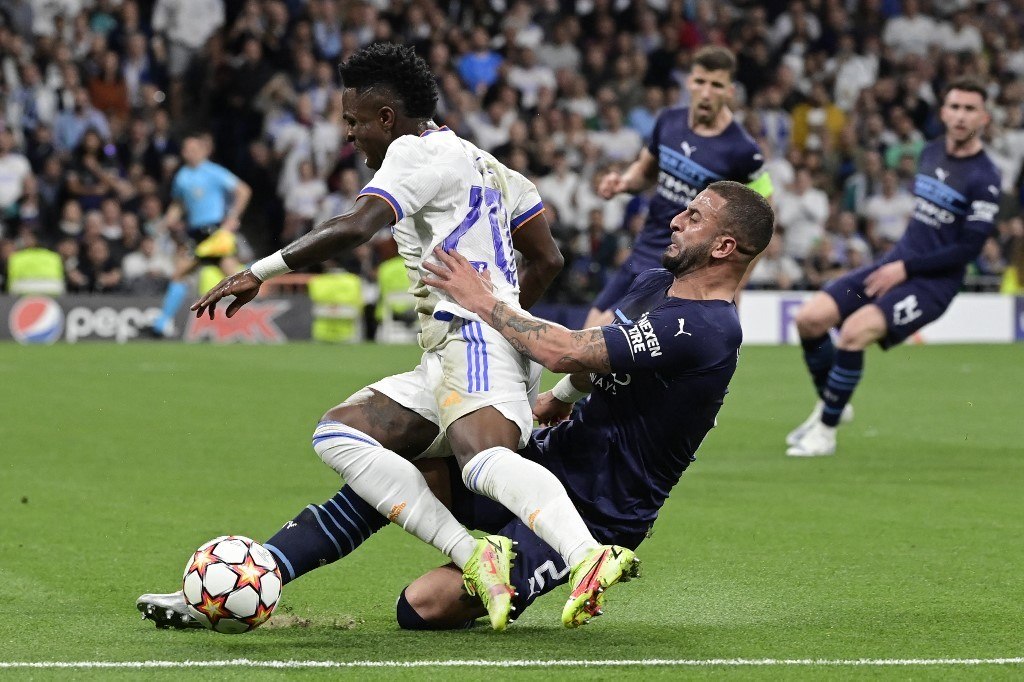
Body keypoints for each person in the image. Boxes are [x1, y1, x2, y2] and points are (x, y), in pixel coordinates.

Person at [137, 181, 773, 631]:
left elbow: (568, 349)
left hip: (605, 509)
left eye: (694, 218)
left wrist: (482, 299)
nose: (677, 221)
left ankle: (561, 561)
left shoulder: (711, 328)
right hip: (553, 461)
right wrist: (556, 402)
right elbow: (596, 362)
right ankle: (251, 579)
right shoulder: (655, 283)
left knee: (420, 609)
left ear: (724, 247)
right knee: (390, 478)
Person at [187, 43, 631, 631]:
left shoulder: (412, 154)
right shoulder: (490, 165)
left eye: (354, 120)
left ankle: (586, 556)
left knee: (483, 460)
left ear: (387, 118)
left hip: (471, 339)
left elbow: (356, 226)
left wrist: (257, 272)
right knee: (340, 433)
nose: (349, 134)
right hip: (466, 346)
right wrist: (510, 321)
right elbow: (547, 257)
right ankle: (475, 553)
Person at [786, 77, 1002, 457]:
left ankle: (826, 431)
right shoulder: (931, 152)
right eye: (955, 107)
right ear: (944, 111)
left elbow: (969, 248)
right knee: (810, 318)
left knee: (854, 332)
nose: (961, 116)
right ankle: (832, 402)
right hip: (893, 265)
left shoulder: (985, 177)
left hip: (931, 285)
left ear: (983, 116)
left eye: (970, 109)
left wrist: (908, 268)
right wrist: (899, 263)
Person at [586, 46, 772, 327]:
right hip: (644, 249)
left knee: (601, 339)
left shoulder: (744, 151)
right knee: (591, 328)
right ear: (689, 83)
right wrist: (623, 182)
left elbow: (763, 219)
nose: (707, 92)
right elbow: (645, 170)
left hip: (684, 262)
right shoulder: (668, 121)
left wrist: (737, 283)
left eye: (716, 85)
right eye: (700, 82)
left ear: (730, 91)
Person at [144, 133, 251, 338]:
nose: (189, 153)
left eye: (193, 149)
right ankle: (161, 325)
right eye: (186, 150)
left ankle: (253, 316)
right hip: (196, 234)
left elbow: (244, 191)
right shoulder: (182, 176)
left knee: (236, 277)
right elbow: (179, 204)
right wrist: (166, 222)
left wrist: (232, 218)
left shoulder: (214, 172)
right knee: (179, 274)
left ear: (202, 151)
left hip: (215, 233)